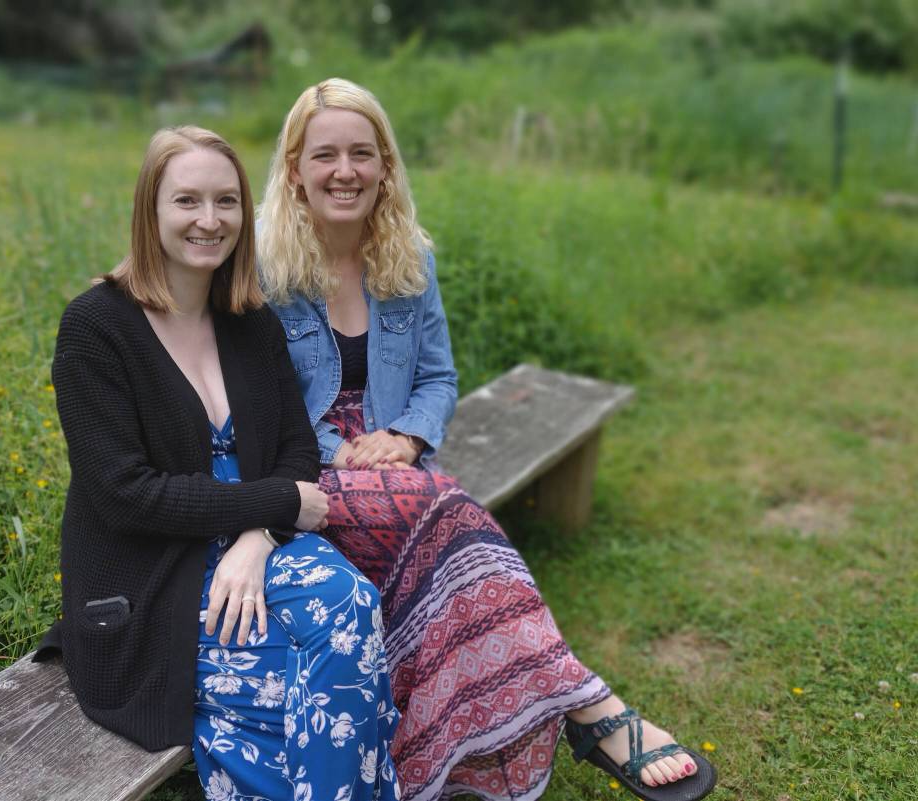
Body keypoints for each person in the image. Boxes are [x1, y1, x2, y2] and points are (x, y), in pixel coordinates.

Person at [257, 79, 717, 801]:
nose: (345, 170)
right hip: (306, 468)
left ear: (385, 165)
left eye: (362, 153)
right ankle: (590, 707)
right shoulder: (261, 268)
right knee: (450, 516)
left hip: (398, 465)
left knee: (444, 522)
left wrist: (407, 437)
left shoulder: (408, 258)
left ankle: (554, 712)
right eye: (325, 155)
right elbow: (255, 402)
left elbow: (438, 378)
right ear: (294, 169)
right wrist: (339, 449)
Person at [35, 125, 400, 801]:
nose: (210, 220)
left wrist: (257, 537)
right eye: (187, 201)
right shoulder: (96, 328)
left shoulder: (248, 320)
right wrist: (279, 504)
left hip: (259, 549)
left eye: (226, 201)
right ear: (150, 209)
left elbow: (296, 446)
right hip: (157, 577)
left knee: (351, 609)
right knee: (334, 676)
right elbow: (125, 494)